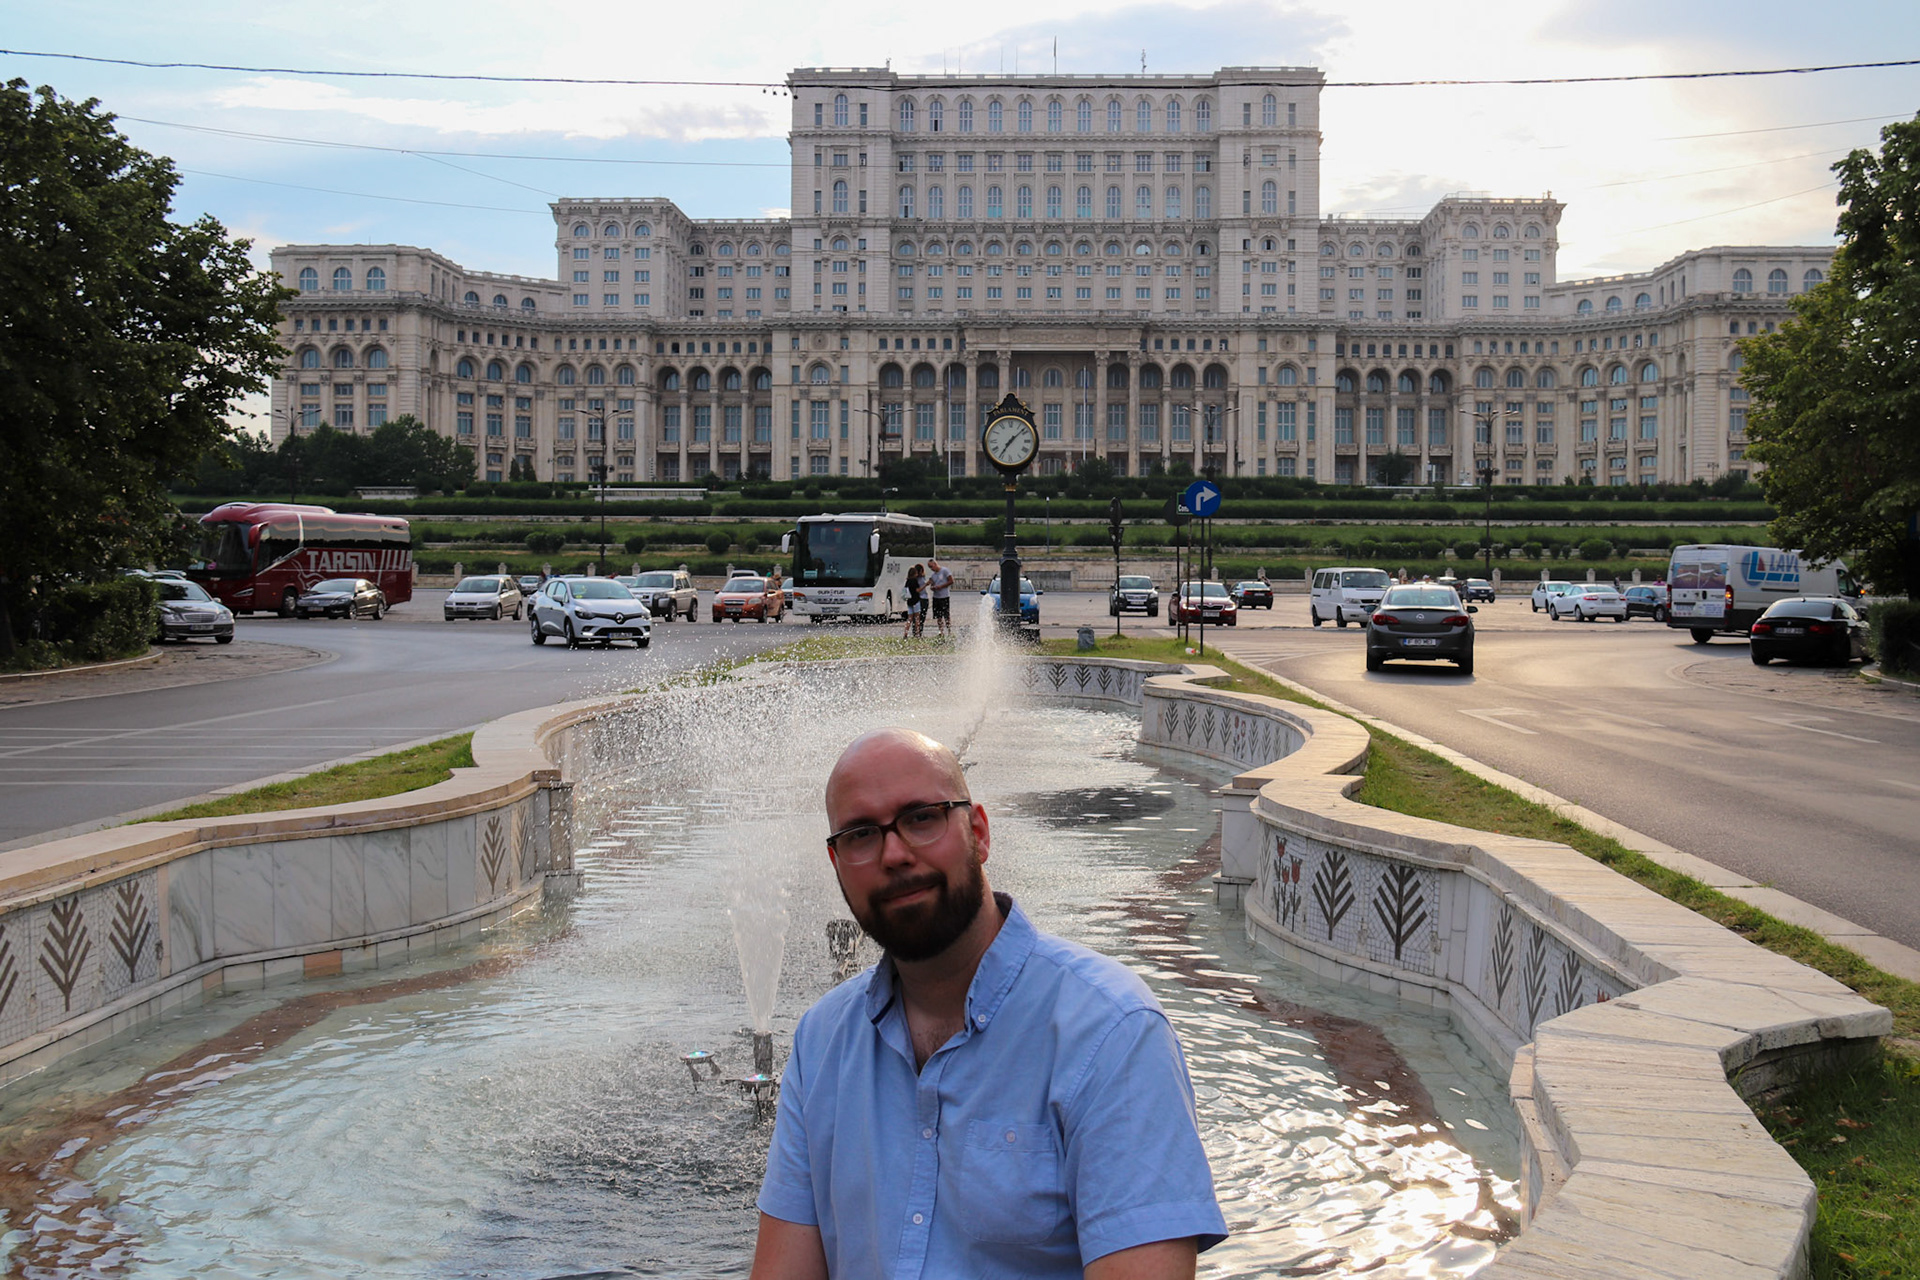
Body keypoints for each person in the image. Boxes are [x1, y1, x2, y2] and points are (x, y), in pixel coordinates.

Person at [751, 729, 1227, 1280]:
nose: (894, 853)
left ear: (978, 832)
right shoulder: (822, 1041)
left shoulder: (1109, 1033)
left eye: (921, 817)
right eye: (861, 835)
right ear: (837, 863)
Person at [924, 557, 954, 639]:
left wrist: (941, 586)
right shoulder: (933, 575)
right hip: (936, 597)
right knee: (938, 615)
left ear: (935, 564)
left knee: (946, 615)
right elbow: (931, 583)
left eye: (931, 566)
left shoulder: (945, 571)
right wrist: (933, 587)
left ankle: (949, 630)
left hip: (944, 596)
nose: (931, 569)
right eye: (929, 567)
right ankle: (941, 631)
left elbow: (951, 581)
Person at [901, 563, 925, 639]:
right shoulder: (914, 580)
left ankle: (905, 633)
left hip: (909, 601)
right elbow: (917, 590)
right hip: (916, 600)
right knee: (917, 618)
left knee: (909, 618)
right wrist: (925, 585)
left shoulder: (907, 581)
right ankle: (917, 634)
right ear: (915, 573)